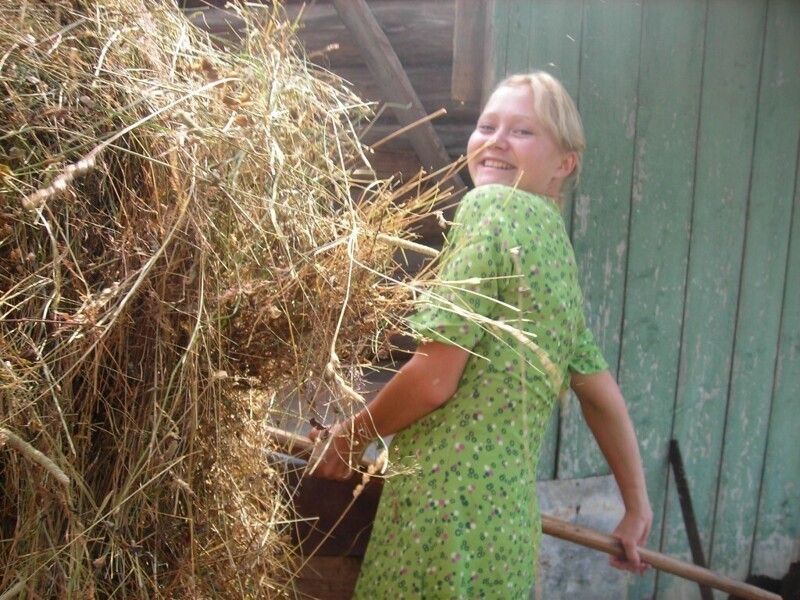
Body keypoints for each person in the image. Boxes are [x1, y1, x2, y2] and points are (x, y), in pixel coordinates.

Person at [308, 71, 653, 599]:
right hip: (505, 531)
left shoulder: (491, 209)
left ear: (565, 164)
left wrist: (354, 434)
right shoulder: (555, 253)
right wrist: (637, 506)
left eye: (522, 131)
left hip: (440, 520)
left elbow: (434, 382)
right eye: (487, 125)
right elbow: (602, 397)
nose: (494, 140)